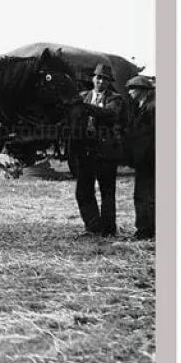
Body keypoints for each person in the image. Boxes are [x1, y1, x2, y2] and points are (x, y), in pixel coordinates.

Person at [70, 62, 126, 237]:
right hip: (86, 151)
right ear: (92, 78)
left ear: (109, 82)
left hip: (106, 152)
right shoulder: (83, 96)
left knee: (107, 192)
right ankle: (93, 227)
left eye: (104, 79)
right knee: (83, 191)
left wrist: (84, 108)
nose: (100, 81)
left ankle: (108, 230)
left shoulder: (115, 99)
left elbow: (110, 114)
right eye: (98, 77)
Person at [125, 74, 155, 240]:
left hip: (148, 159)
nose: (129, 92)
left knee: (144, 195)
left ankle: (145, 230)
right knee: (146, 194)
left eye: (132, 89)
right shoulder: (143, 106)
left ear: (142, 91)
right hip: (144, 159)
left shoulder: (152, 108)